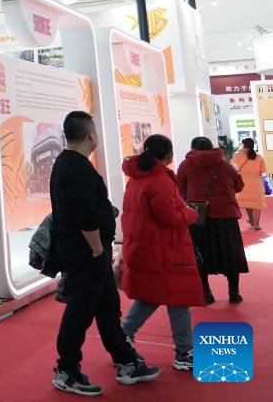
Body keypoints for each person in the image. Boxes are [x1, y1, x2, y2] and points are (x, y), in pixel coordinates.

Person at [50, 111, 160, 396]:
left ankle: (125, 361)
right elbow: (83, 213)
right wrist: (98, 247)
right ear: (90, 135)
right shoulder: (77, 167)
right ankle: (67, 370)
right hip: (85, 252)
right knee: (80, 310)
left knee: (108, 308)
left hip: (87, 252)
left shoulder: (68, 163)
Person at [119, 134, 204, 373]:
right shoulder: (160, 181)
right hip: (166, 250)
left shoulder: (136, 178)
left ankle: (124, 337)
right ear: (168, 156)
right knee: (179, 300)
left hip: (147, 247)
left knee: (151, 296)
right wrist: (191, 214)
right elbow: (169, 217)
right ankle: (184, 352)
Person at [176, 136, 248, 304]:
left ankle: (206, 292)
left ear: (193, 148)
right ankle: (234, 292)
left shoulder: (186, 165)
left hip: (198, 216)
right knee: (229, 253)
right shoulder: (224, 164)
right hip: (226, 216)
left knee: (200, 254)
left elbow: (179, 189)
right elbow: (239, 185)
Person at [232, 138, 266, 230]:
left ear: (243, 144)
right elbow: (263, 170)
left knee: (247, 202)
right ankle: (256, 224)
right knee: (256, 204)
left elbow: (234, 167)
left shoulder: (237, 155)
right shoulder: (258, 156)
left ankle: (251, 220)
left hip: (243, 182)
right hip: (256, 183)